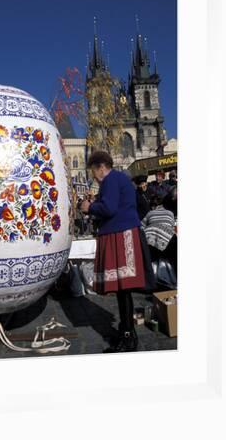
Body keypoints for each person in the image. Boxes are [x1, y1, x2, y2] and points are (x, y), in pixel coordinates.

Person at [80, 151, 151, 352]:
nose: (94, 176)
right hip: (123, 231)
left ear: (101, 166)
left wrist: (90, 207)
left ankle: (128, 336)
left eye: (94, 171)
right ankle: (127, 332)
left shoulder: (110, 180)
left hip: (121, 234)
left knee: (123, 289)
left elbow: (109, 208)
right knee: (123, 290)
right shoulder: (120, 179)